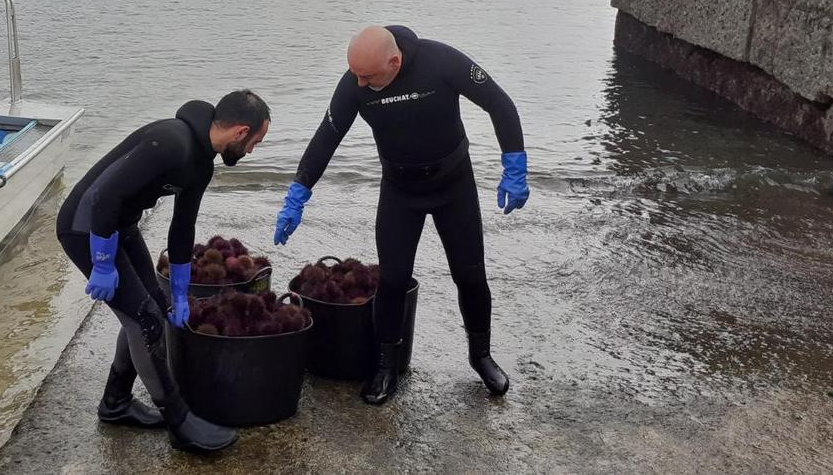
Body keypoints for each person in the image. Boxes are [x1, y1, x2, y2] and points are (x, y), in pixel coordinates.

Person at [274, 25, 529, 404]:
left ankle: (481, 356)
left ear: (394, 62)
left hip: (453, 185)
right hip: (400, 190)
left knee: (471, 276)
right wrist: (299, 191)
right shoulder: (355, 84)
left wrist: (514, 163)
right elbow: (326, 137)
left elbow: (499, 103)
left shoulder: (441, 61)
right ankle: (385, 367)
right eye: (355, 75)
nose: (359, 84)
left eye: (367, 76)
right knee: (392, 280)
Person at [57, 90, 270, 452]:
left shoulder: (202, 163)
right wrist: (104, 264)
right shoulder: (171, 141)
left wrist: (181, 291)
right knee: (145, 321)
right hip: (85, 228)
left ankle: (116, 403)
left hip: (121, 227)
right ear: (240, 131)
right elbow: (102, 197)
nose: (252, 151)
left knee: (152, 307)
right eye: (255, 142)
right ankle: (180, 423)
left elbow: (182, 227)